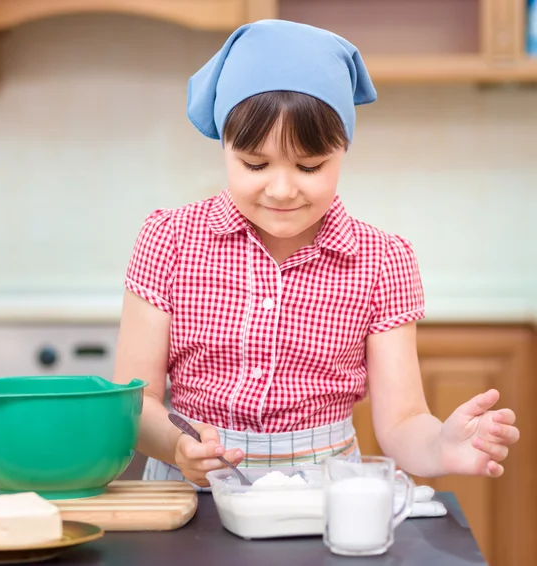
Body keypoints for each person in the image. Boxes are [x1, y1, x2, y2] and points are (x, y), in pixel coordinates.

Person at [113, 19, 519, 488]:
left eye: (309, 166)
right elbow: (135, 402)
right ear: (224, 146)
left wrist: (440, 446)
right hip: (190, 492)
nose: (282, 189)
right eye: (254, 164)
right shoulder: (169, 240)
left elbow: (403, 420)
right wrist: (177, 447)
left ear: (342, 149)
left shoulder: (383, 261)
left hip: (324, 500)